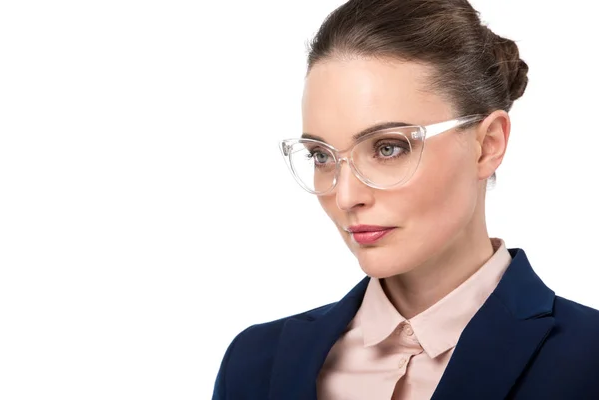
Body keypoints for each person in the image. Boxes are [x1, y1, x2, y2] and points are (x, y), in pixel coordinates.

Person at [212, 0, 599, 399]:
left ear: (487, 145)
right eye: (321, 156)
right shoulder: (255, 365)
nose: (345, 196)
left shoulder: (589, 361)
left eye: (388, 148)